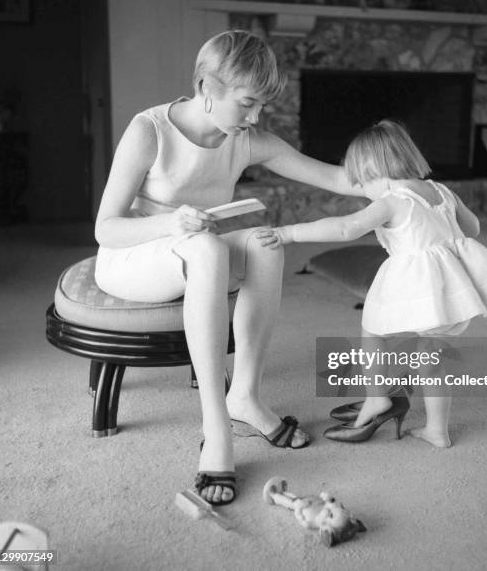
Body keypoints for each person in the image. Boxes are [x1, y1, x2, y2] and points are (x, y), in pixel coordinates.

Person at [94, 30, 363, 505]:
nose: (256, 117)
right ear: (205, 87)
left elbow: (336, 177)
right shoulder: (148, 130)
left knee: (266, 243)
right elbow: (106, 229)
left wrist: (405, 182)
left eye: (262, 106)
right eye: (247, 103)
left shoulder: (244, 139)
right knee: (207, 248)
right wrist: (171, 224)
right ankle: (216, 427)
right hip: (129, 260)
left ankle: (246, 396)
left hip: (194, 256)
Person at [258, 119, 487, 448]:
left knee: (373, 330)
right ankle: (437, 430)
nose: (362, 191)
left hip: (420, 285)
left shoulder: (393, 200)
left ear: (372, 169)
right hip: (453, 290)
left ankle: (377, 397)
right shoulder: (441, 191)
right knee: (432, 357)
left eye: (361, 183)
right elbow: (474, 228)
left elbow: (345, 229)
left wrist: (288, 233)